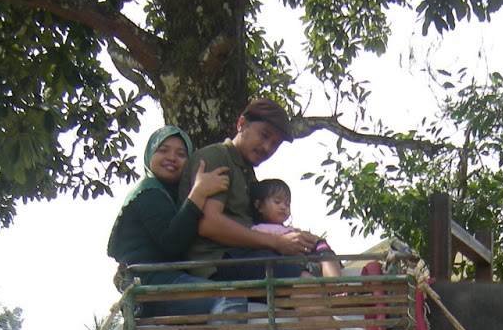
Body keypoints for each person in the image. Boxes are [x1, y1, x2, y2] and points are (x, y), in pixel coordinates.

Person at [179, 98, 317, 282]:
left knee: (316, 267)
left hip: (248, 256)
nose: (267, 147)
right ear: (242, 124)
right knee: (305, 283)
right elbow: (209, 224)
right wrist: (277, 243)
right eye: (264, 135)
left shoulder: (247, 172)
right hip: (218, 262)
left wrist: (295, 238)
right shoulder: (216, 157)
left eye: (275, 144)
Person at [106, 125, 230, 315]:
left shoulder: (171, 195)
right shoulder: (148, 192)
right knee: (228, 298)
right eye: (163, 150)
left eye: (181, 154)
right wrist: (199, 192)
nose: (172, 158)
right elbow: (172, 241)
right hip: (150, 286)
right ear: (149, 155)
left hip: (168, 280)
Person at [251, 178, 342, 278]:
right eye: (277, 202)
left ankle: (337, 288)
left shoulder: (290, 229)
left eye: (287, 204)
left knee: (324, 250)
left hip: (308, 261)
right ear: (259, 206)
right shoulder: (260, 230)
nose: (283, 207)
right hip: (292, 267)